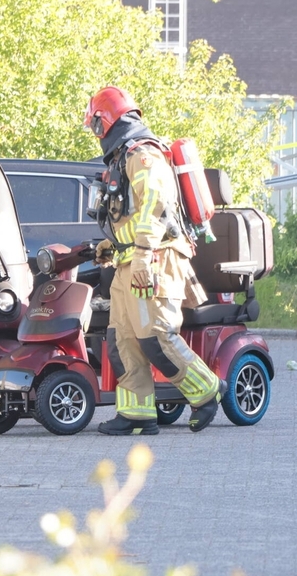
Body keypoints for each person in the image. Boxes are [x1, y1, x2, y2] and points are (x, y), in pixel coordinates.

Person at [85, 86, 226, 435]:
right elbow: (128, 214)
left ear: (106, 122)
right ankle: (137, 414)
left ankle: (207, 391)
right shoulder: (122, 156)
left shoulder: (143, 154)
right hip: (129, 261)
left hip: (155, 259)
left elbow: (154, 205)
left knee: (157, 338)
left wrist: (144, 254)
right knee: (122, 340)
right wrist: (114, 246)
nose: (95, 135)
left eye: (95, 126)